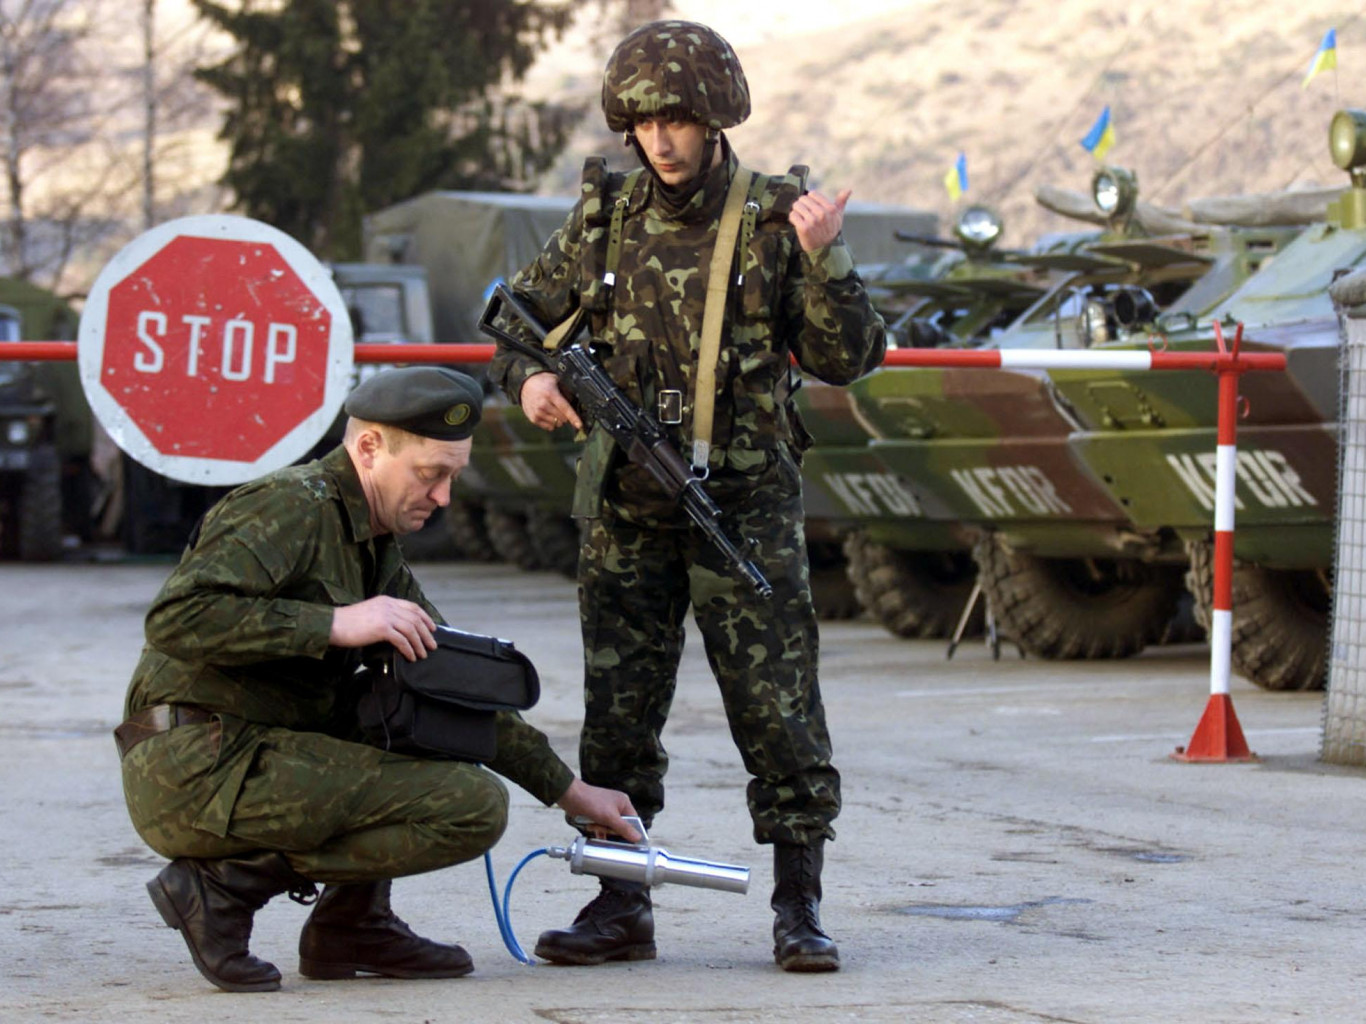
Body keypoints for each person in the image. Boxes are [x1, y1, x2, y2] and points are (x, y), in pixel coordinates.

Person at [487, 20, 887, 973]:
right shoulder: (606, 216)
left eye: (678, 118)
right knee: (620, 717)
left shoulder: (774, 217)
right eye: (645, 120)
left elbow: (850, 358)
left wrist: (826, 258)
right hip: (626, 511)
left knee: (779, 711)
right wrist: (528, 382)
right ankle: (619, 906)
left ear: (714, 119)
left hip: (742, 506)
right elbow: (517, 318)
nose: (661, 139)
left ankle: (798, 907)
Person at [115, 366, 639, 993]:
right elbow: (177, 618)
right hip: (197, 765)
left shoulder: (372, 542)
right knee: (470, 807)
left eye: (453, 476)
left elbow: (448, 682)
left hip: (259, 754)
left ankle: (351, 924)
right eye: (430, 474)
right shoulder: (290, 506)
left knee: (412, 722)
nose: (443, 497)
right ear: (368, 449)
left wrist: (569, 792)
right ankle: (220, 889)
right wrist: (334, 624)